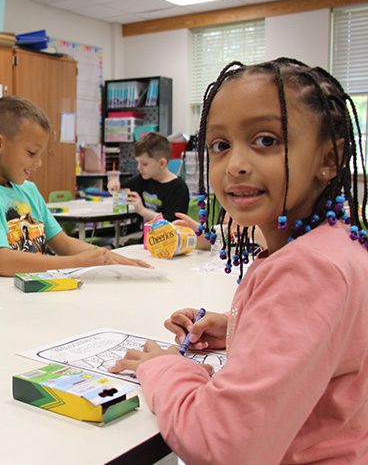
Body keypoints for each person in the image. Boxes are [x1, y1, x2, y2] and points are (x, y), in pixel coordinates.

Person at [109, 58, 368, 463]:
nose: (236, 165)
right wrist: (244, 329)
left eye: (266, 140)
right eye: (220, 145)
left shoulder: (308, 268)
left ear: (329, 160)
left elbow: (222, 445)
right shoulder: (340, 243)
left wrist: (165, 368)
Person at [0, 95, 149, 280]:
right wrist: (76, 262)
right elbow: (1, 262)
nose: (38, 163)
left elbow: (63, 243)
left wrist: (106, 257)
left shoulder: (28, 190)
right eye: (31, 153)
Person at [108, 132, 189, 222]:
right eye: (138, 162)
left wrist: (142, 210)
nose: (139, 167)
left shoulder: (178, 188)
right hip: (147, 235)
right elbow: (121, 187)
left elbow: (173, 222)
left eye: (144, 164)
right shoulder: (143, 179)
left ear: (162, 163)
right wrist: (113, 184)